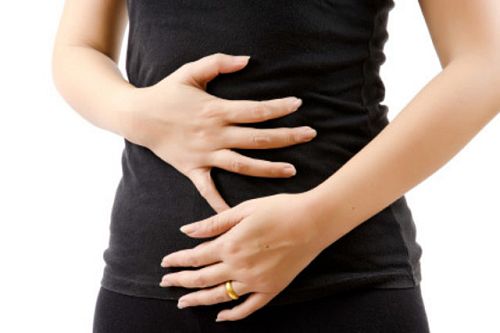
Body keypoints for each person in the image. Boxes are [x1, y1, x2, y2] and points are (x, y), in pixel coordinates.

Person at [51, 0, 499, 332]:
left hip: (342, 283)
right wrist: (138, 113)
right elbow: (78, 45)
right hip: (152, 283)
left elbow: (486, 62)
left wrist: (314, 222)